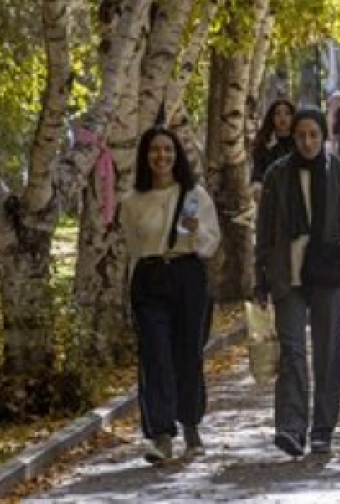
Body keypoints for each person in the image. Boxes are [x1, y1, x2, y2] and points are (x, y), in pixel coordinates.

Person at [254, 109, 340, 458]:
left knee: (328, 353)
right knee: (292, 351)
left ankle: (322, 428)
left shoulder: (339, 171)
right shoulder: (278, 175)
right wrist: (259, 277)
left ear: (323, 137)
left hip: (330, 272)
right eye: (301, 135)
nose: (307, 142)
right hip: (287, 274)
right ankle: (291, 428)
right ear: (293, 136)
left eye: (313, 135)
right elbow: (263, 231)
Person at [122, 124, 221, 463]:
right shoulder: (132, 201)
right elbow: (132, 248)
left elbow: (211, 243)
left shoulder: (195, 195)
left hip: (187, 275)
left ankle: (191, 424)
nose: (161, 157)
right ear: (145, 157)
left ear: (177, 156)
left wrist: (196, 234)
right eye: (154, 150)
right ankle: (161, 435)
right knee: (155, 354)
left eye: (167, 150)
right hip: (150, 279)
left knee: (187, 353)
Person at [251, 99, 297, 187]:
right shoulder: (264, 142)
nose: (282, 117)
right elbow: (258, 171)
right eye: (278, 113)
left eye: (287, 113)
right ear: (272, 117)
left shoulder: (299, 142)